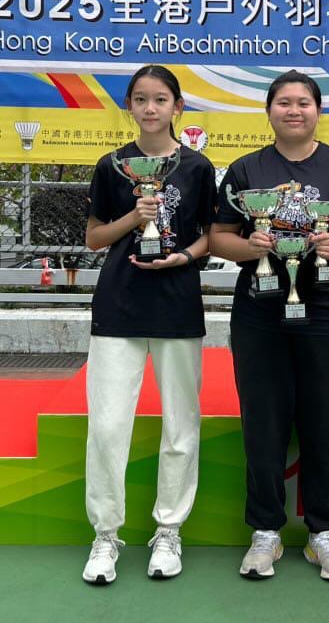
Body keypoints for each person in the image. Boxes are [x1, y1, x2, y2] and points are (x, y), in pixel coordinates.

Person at [210, 70, 329, 582]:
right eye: (284, 102)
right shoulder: (246, 169)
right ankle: (266, 531)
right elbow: (218, 237)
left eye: (304, 102)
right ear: (269, 111)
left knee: (324, 418)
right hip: (260, 310)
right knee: (263, 420)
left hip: (325, 309)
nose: (294, 110)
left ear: (318, 111)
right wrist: (250, 247)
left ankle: (324, 533)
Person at [81, 64, 216, 585]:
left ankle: (169, 530)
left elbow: (209, 236)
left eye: (161, 99)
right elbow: (95, 237)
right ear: (129, 106)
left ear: (178, 106)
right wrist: (134, 219)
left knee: (180, 425)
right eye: (141, 99)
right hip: (119, 305)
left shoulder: (197, 167)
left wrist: (184, 257)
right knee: (108, 425)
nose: (151, 108)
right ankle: (105, 534)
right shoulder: (111, 165)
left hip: (177, 304)